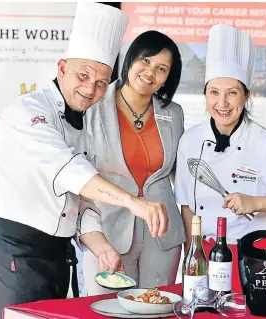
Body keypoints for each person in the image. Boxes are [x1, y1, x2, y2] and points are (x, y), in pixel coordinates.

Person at [0, 4, 168, 318]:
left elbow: (80, 204)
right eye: (83, 76)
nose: (90, 89)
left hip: (56, 256)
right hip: (14, 252)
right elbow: (73, 173)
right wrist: (133, 203)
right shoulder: (27, 113)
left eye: (102, 83)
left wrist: (101, 247)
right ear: (61, 68)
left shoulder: (81, 130)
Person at [174, 24, 266, 251]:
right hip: (205, 252)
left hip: (256, 254)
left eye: (232, 92)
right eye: (214, 92)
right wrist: (193, 253)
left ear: (246, 95)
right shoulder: (190, 141)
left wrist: (255, 202)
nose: (222, 103)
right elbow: (187, 208)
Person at [82, 30, 185, 295]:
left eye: (161, 68)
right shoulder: (94, 105)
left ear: (167, 79)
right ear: (131, 58)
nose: (150, 72)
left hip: (162, 235)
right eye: (146, 60)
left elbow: (182, 178)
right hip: (108, 232)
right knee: (105, 310)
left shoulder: (173, 113)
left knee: (157, 308)